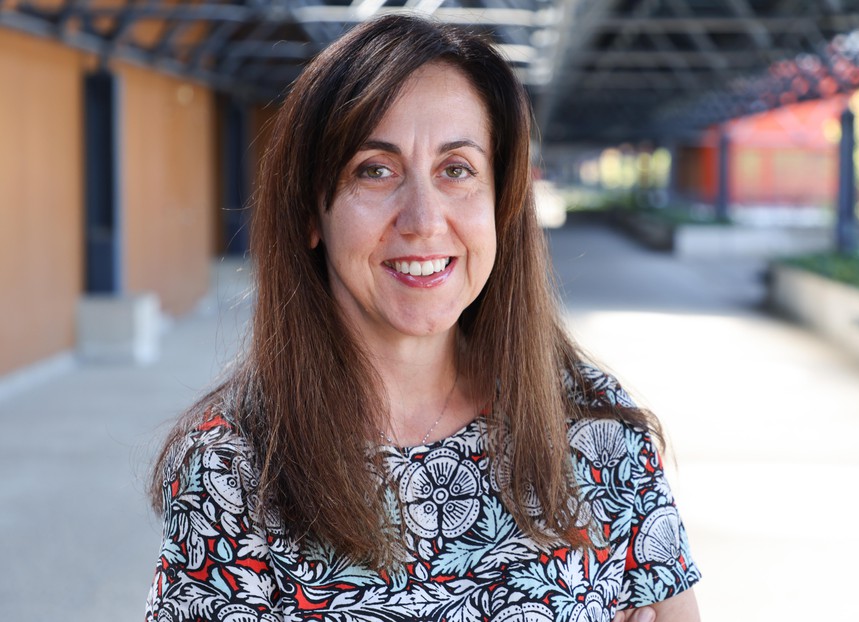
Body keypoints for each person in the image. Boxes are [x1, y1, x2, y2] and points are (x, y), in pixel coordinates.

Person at [145, 14, 700, 622]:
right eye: (374, 170)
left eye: (456, 169)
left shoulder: (595, 428)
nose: (423, 219)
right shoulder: (233, 469)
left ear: (502, 202)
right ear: (311, 214)